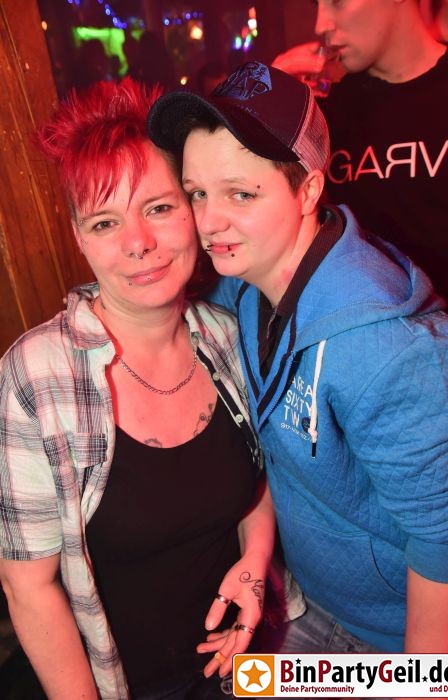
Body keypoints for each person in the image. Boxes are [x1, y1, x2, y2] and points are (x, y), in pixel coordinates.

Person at [148, 60, 448, 656]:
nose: (208, 222)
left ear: (309, 191)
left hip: (385, 637)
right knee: (228, 682)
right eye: (197, 193)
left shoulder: (387, 351)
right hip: (297, 590)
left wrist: (421, 681)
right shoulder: (245, 285)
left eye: (241, 194)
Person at [0, 77, 277, 700]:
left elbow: (258, 479)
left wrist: (255, 565)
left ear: (193, 211)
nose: (138, 244)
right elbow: (28, 586)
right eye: (105, 222)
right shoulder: (36, 376)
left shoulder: (226, 335)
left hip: (242, 668)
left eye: (158, 207)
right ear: (79, 237)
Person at [274, 0, 448, 323]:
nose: (321, 25)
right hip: (370, 338)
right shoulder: (328, 112)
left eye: (337, 2)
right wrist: (268, 106)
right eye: (316, 4)